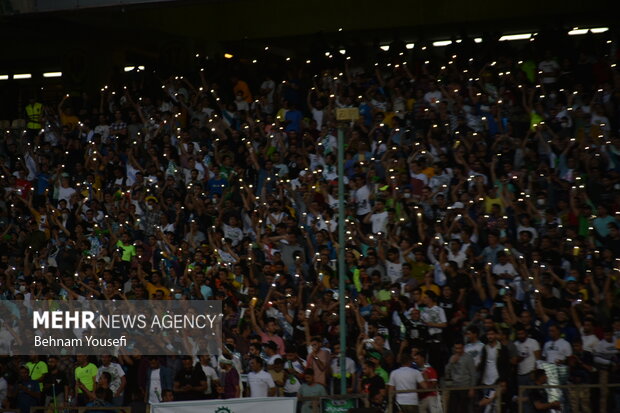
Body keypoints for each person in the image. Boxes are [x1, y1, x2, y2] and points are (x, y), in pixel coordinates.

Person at [445, 342, 476, 413]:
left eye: (460, 348)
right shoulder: (452, 357)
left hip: (465, 387)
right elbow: (446, 371)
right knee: (451, 409)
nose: (458, 350)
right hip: (454, 387)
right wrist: (451, 362)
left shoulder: (468, 358)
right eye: (456, 348)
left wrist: (472, 388)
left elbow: (473, 374)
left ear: (463, 348)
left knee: (463, 409)